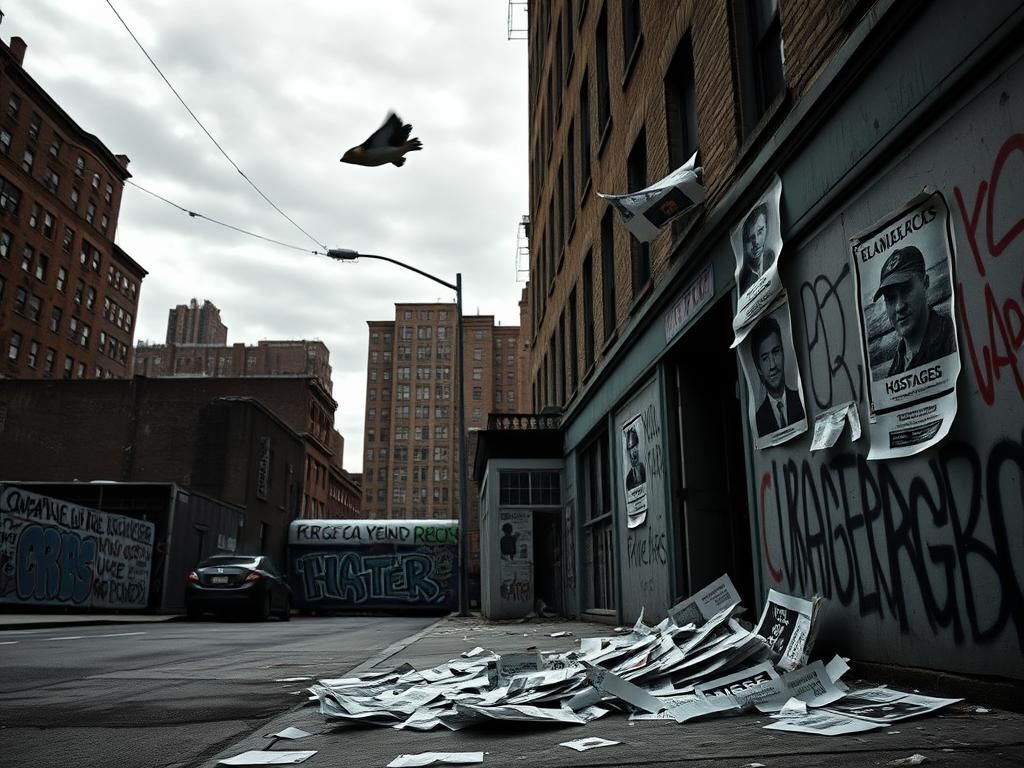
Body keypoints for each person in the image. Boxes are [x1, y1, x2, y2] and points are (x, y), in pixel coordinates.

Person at [873, 246, 956, 376]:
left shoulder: (951, 340)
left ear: (925, 283)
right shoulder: (897, 366)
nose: (899, 307)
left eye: (906, 290)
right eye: (890, 298)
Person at [750, 316, 805, 437]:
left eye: (775, 352)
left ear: (783, 352)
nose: (772, 365)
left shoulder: (802, 400)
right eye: (765, 358)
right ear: (759, 369)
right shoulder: (758, 419)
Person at [738, 203, 776, 294]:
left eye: (760, 231)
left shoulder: (773, 258)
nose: (757, 242)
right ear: (743, 242)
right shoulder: (744, 281)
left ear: (766, 227)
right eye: (751, 238)